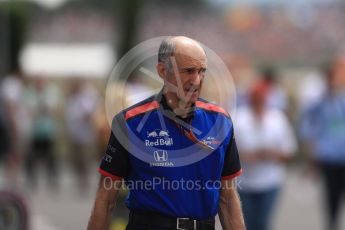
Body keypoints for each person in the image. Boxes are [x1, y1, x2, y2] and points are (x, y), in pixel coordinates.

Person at [87, 36, 245, 230]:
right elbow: (106, 199)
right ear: (162, 70)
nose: (196, 80)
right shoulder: (130, 122)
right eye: (188, 71)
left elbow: (228, 200)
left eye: (201, 71)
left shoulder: (220, 121)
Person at [235, 81, 297, 230]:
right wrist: (246, 156)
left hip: (270, 181)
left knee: (263, 222)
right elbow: (229, 153)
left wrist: (273, 154)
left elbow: (289, 152)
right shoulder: (239, 119)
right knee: (247, 222)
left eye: (261, 98)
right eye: (256, 98)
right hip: (245, 183)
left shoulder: (277, 119)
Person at [300, 58, 345, 230]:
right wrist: (312, 144)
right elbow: (306, 122)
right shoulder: (319, 103)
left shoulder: (342, 100)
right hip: (330, 156)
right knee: (332, 196)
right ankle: (332, 224)